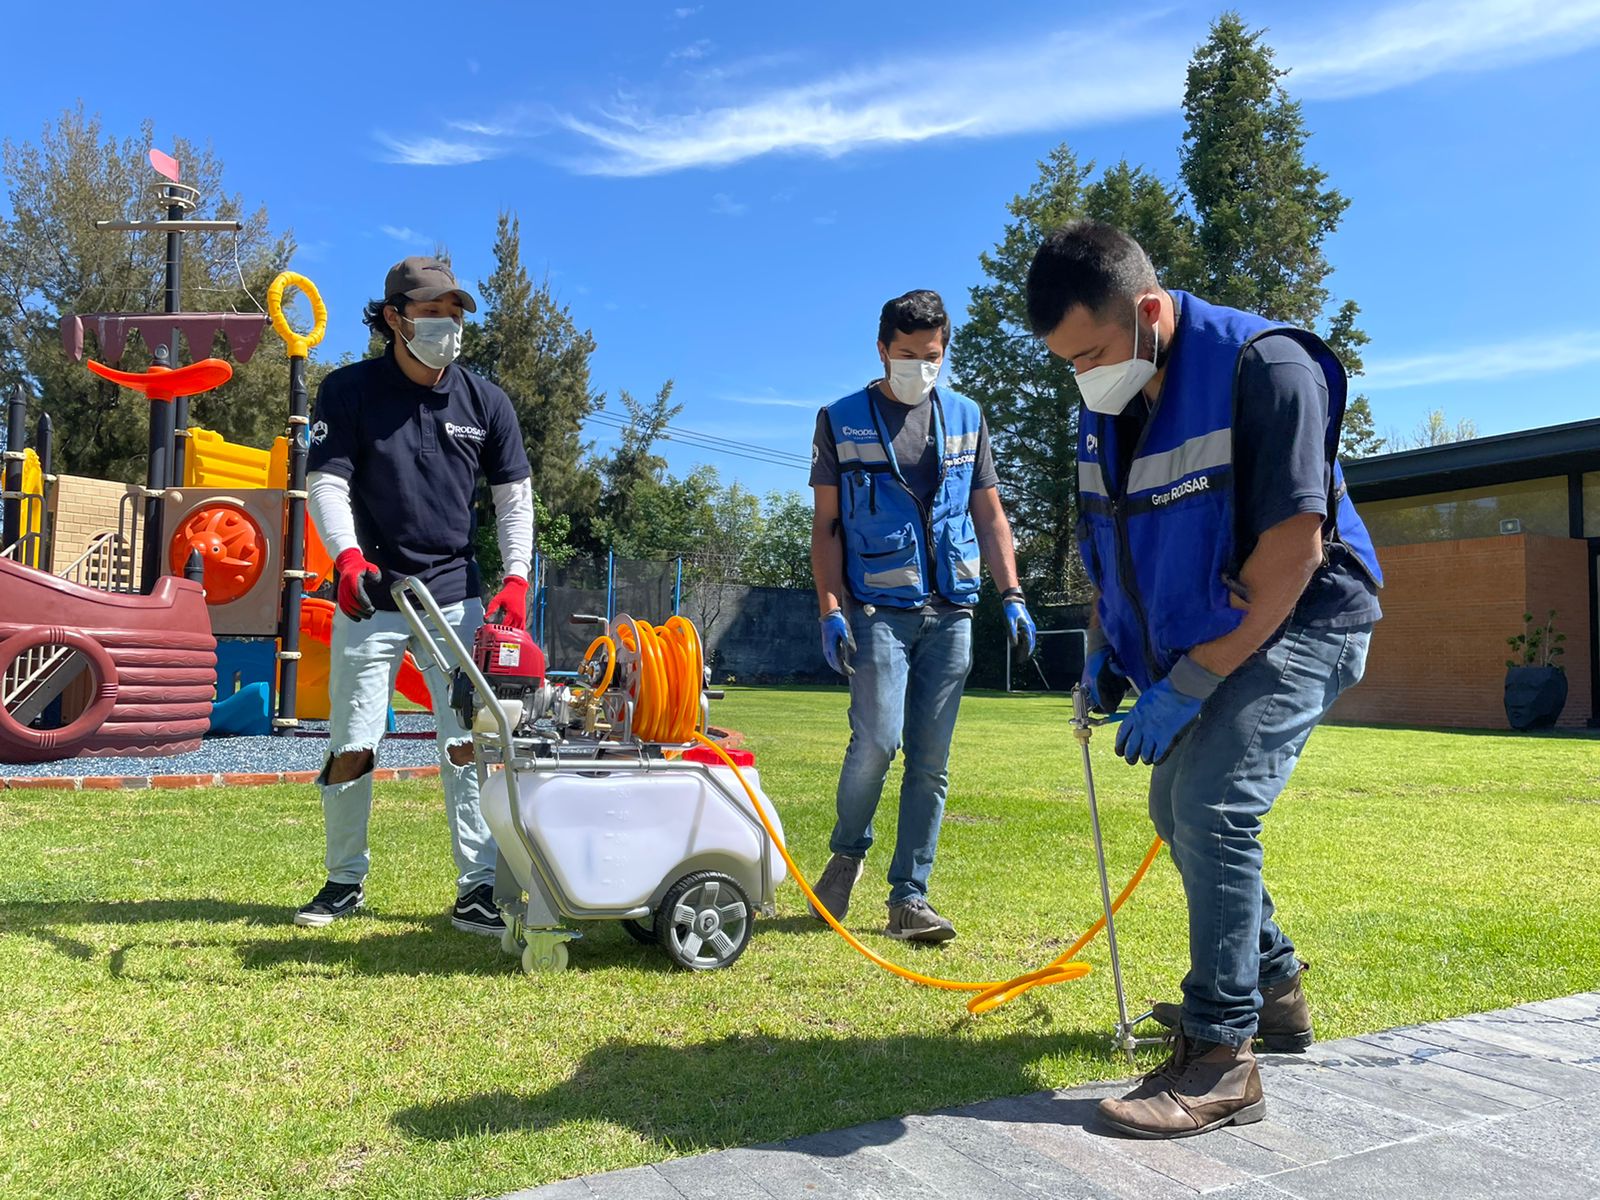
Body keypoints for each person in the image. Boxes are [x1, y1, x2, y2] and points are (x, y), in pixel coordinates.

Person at [1025, 221, 1383, 1138]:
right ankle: (1276, 989)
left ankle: (1223, 1059)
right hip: (1210, 636)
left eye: (1093, 352)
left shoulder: (1266, 369)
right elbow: (1110, 542)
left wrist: (1189, 684)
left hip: (1304, 619)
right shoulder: (1105, 400)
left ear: (1148, 311)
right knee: (1171, 808)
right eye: (1068, 363)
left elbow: (1295, 548)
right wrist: (1108, 646)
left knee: (1215, 804)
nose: (1084, 376)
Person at [293, 256, 535, 936]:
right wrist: (344, 559)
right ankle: (344, 882)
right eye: (432, 314)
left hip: (456, 603)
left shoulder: (486, 402)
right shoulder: (348, 392)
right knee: (353, 742)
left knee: (467, 745)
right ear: (395, 317)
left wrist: (515, 576)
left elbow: (513, 498)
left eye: (455, 314)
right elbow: (327, 483)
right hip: (372, 597)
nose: (448, 327)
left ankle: (477, 891)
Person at [807, 289, 1035, 944]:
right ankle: (848, 854)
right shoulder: (841, 420)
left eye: (931, 356)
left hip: (953, 611)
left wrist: (1012, 593)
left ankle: (910, 898)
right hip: (877, 607)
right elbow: (825, 527)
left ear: (944, 350)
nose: (920, 367)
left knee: (930, 763)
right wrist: (830, 608)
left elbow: (989, 516)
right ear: (883, 349)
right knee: (877, 741)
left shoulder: (966, 418)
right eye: (907, 355)